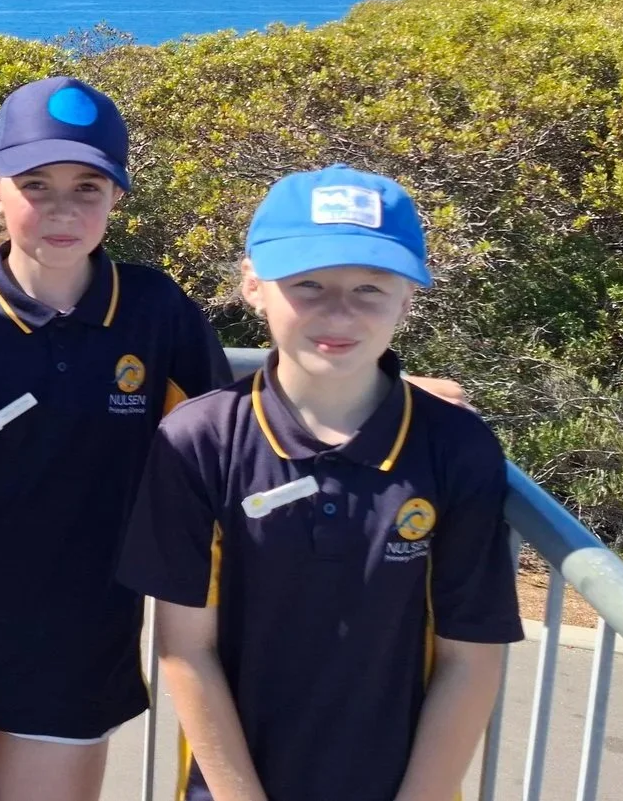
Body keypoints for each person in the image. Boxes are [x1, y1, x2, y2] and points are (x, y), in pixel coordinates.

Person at [0, 77, 230, 800]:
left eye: (87, 187)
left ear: (117, 194)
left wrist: (392, 391)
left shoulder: (156, 312)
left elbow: (245, 425)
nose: (62, 209)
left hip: (81, 651)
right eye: (35, 184)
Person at [118, 165, 521, 801]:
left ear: (407, 298)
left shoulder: (456, 447)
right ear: (253, 285)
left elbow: (470, 658)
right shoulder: (199, 440)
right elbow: (185, 648)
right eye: (308, 284)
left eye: (370, 288)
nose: (339, 312)